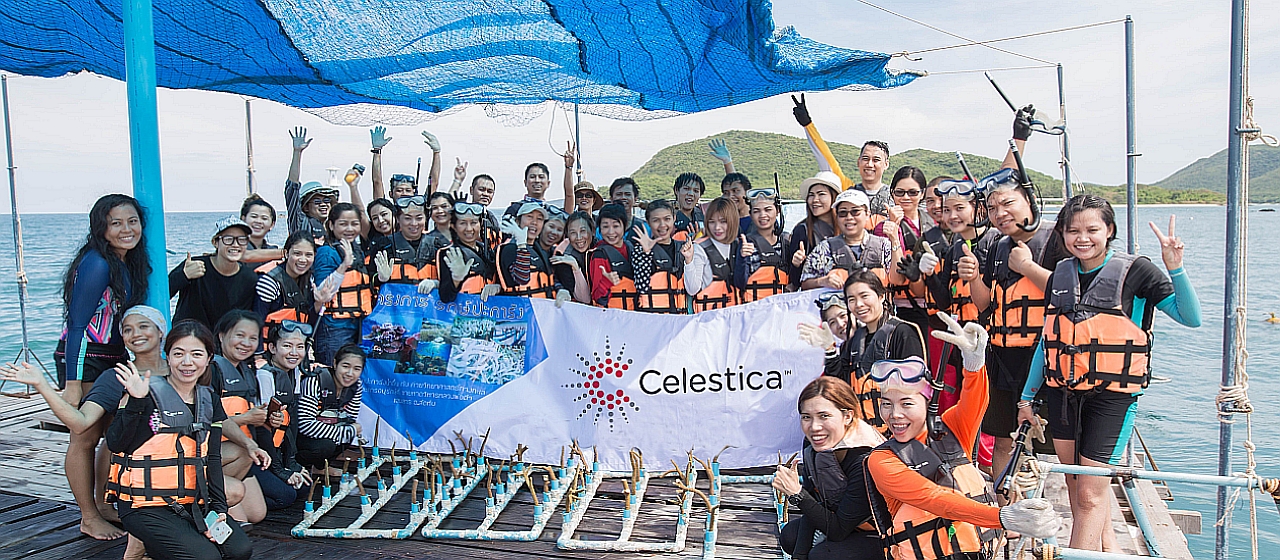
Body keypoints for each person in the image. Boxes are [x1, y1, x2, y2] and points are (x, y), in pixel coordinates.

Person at [1018, 196, 1200, 551]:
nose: (1081, 238)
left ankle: (1076, 556)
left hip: (1112, 399)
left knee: (1088, 493)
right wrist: (1027, 397)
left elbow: (1190, 317)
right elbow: (1048, 341)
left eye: (1092, 229)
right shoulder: (1061, 275)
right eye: (1073, 231)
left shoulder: (1138, 272)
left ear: (1109, 231)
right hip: (1063, 395)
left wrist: (1175, 267)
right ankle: (1107, 546)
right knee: (1076, 486)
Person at [864, 314, 1061, 560]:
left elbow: (975, 401)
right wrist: (1001, 517)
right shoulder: (881, 460)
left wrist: (974, 362)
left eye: (906, 404)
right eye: (886, 405)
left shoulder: (950, 431)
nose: (894, 415)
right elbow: (933, 497)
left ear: (928, 403)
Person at [5, 305, 168, 558]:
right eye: (127, 330)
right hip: (142, 481)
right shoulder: (116, 377)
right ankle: (101, 515)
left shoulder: (183, 368)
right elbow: (81, 422)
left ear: (161, 332)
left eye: (143, 326)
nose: (135, 334)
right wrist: (43, 386)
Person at [104, 320, 255, 560]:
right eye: (179, 354)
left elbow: (213, 458)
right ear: (167, 357)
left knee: (239, 550)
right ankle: (151, 546)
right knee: (206, 558)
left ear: (208, 359)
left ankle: (156, 550)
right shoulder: (146, 394)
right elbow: (116, 443)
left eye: (196, 354)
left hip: (191, 501)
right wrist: (136, 401)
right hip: (144, 506)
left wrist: (219, 509)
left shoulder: (209, 399)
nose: (187, 362)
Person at [51, 194, 150, 540]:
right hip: (85, 357)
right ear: (102, 228)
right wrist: (73, 382)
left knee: (113, 433)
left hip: (113, 358)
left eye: (132, 221)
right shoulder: (97, 263)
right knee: (85, 435)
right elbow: (77, 325)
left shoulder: (128, 261)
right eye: (116, 223)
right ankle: (88, 516)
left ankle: (103, 504)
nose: (126, 229)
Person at [772, 376, 885, 559]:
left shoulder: (865, 459)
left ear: (847, 416)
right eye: (806, 417)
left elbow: (839, 530)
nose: (814, 427)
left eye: (824, 416)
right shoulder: (815, 443)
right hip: (847, 523)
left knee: (822, 556)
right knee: (790, 537)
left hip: (883, 534)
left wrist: (797, 494)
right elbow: (814, 499)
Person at [798, 269, 925, 429]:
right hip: (862, 432)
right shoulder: (855, 341)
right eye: (852, 299)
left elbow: (915, 391)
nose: (858, 304)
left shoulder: (902, 333)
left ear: (881, 295)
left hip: (896, 431)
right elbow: (838, 386)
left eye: (864, 296)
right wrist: (829, 349)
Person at [210, 311, 271, 524]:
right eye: (239, 335)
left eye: (253, 338)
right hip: (215, 452)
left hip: (237, 456)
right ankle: (207, 503)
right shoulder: (211, 370)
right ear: (221, 335)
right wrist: (245, 419)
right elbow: (207, 421)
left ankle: (219, 496)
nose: (246, 343)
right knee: (243, 520)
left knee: (257, 515)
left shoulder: (247, 371)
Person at [790, 94, 892, 217]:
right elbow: (826, 158)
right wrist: (808, 125)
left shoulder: (896, 195)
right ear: (858, 162)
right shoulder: (847, 189)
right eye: (865, 159)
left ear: (886, 164)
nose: (870, 164)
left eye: (876, 160)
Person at [313, 203, 385, 366]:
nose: (350, 228)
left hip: (357, 325)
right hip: (334, 328)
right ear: (331, 225)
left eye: (354, 223)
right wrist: (344, 265)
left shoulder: (356, 249)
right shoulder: (327, 252)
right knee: (333, 373)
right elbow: (323, 292)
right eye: (343, 224)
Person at [254, 321, 314, 511]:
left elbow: (292, 423)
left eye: (300, 347)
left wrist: (292, 464)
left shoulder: (294, 372)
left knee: (304, 488)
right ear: (272, 347)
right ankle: (246, 502)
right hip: (259, 453)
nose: (294, 352)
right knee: (286, 496)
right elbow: (262, 430)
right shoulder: (265, 375)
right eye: (287, 346)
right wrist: (280, 471)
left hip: (279, 452)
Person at [799, 189, 902, 291]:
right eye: (843, 213)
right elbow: (805, 283)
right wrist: (822, 281)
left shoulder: (883, 246)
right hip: (838, 305)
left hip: (877, 306)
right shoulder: (825, 248)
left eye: (855, 212)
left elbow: (898, 280)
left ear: (867, 214)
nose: (849, 217)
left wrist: (895, 240)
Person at [875, 166, 935, 335]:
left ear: (922, 193)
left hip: (936, 306)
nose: (906, 197)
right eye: (900, 192)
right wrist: (894, 227)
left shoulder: (934, 223)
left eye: (913, 192)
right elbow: (895, 276)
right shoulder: (883, 227)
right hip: (905, 308)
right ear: (892, 194)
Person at [170, 217, 259, 328]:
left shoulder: (249, 278)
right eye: (228, 239)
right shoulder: (194, 265)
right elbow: (163, 292)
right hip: (187, 336)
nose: (235, 244)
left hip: (222, 341)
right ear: (215, 242)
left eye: (241, 239)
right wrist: (183, 275)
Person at [296, 345, 366, 471]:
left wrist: (348, 430)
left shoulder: (356, 386)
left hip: (326, 427)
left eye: (357, 369)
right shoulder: (315, 380)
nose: (350, 373)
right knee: (326, 445)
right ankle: (300, 465)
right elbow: (305, 424)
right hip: (300, 435)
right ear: (335, 363)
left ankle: (321, 467)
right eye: (345, 366)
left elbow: (349, 418)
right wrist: (346, 431)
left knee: (349, 431)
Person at [256, 231, 331, 341]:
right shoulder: (269, 283)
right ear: (287, 254)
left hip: (297, 345)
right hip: (271, 348)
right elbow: (256, 323)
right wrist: (259, 355)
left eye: (308, 255)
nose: (303, 259)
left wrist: (318, 304)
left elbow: (310, 320)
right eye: (297, 254)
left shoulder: (310, 280)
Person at [497, 202, 567, 302]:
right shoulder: (510, 248)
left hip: (543, 311)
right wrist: (521, 244)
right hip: (522, 311)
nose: (534, 222)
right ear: (518, 221)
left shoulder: (541, 250)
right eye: (529, 217)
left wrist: (561, 290)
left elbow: (551, 278)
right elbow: (522, 278)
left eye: (539, 219)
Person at [380, 195, 450, 294]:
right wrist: (381, 279)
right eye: (407, 218)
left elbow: (452, 284)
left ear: (426, 218)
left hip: (428, 307)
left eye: (419, 218)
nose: (414, 223)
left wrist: (436, 283)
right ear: (398, 219)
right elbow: (370, 281)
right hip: (396, 306)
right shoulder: (384, 245)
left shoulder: (438, 246)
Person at [734, 189, 792, 304]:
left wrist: (796, 265)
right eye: (756, 211)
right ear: (750, 214)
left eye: (768, 210)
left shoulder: (786, 242)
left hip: (781, 310)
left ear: (778, 210)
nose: (762, 215)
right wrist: (742, 258)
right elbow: (739, 283)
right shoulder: (747, 244)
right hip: (754, 311)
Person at [632, 199, 689, 314]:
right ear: (648, 222)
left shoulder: (685, 249)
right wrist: (646, 254)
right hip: (654, 320)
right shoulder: (640, 250)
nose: (662, 225)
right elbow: (641, 287)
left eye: (667, 219)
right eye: (656, 220)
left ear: (674, 218)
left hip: (681, 319)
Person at [437, 201, 501, 303]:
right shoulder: (450, 254)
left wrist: (498, 287)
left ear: (480, 225)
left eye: (473, 222)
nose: (469, 229)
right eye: (463, 223)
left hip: (489, 314)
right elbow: (445, 296)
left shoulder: (487, 251)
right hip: (462, 315)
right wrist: (456, 279)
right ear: (454, 227)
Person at [284, 127, 339, 244]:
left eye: (327, 200)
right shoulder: (300, 222)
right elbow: (291, 189)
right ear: (306, 207)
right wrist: (297, 152)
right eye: (317, 202)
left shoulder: (336, 228)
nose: (323, 204)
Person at [684, 197, 739, 312]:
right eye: (712, 222)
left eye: (723, 221)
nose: (717, 227)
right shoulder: (700, 248)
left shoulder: (739, 246)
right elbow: (692, 289)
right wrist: (688, 260)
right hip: (708, 318)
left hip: (735, 316)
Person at [788, 172, 840, 290]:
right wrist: (796, 264)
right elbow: (795, 281)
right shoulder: (802, 231)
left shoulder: (847, 228)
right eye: (811, 195)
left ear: (834, 197)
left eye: (821, 194)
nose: (815, 200)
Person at [590, 203, 640, 310]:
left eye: (616, 226)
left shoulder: (631, 247)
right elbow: (598, 298)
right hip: (613, 317)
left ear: (625, 226)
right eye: (605, 226)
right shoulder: (599, 255)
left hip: (635, 315)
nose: (611, 232)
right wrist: (606, 282)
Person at [557, 211, 596, 304]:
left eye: (583, 231)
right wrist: (575, 268)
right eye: (573, 233)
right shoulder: (564, 260)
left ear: (592, 231)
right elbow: (584, 299)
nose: (579, 238)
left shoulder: (602, 250)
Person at [240, 195, 283, 264]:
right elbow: (245, 255)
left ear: (272, 225)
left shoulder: (273, 250)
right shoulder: (234, 245)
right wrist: (285, 252)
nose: (258, 221)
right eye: (254, 216)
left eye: (264, 218)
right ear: (243, 219)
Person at [608, 177, 649, 243]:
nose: (623, 197)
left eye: (628, 194)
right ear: (611, 199)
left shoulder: (645, 227)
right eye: (619, 194)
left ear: (635, 199)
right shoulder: (603, 228)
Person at [671, 172, 705, 241]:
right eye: (686, 189)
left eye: (696, 191)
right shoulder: (666, 215)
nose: (691, 194)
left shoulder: (703, 212)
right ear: (676, 190)